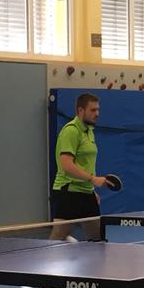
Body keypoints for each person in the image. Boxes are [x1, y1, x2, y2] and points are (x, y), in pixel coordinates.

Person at [51, 92, 109, 240]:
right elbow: (67, 165)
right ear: (81, 110)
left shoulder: (89, 131)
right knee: (57, 238)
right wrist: (93, 179)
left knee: (97, 239)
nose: (97, 114)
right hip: (69, 191)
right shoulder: (71, 131)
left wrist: (91, 189)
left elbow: (85, 164)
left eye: (98, 109)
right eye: (93, 110)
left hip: (86, 192)